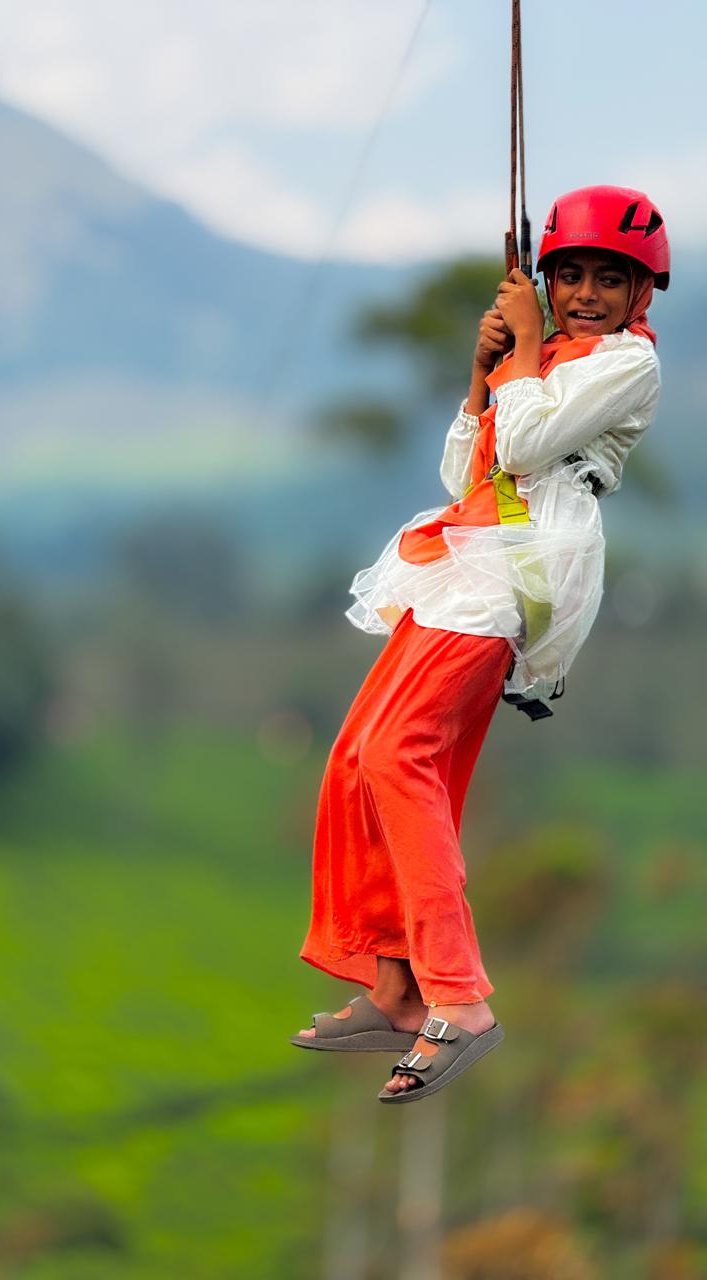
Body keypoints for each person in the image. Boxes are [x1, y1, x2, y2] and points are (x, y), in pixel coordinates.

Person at [291, 187, 668, 1103]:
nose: (585, 292)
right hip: (470, 548)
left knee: (396, 753)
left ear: (640, 294)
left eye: (608, 279)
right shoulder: (545, 358)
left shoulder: (624, 365)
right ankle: (397, 987)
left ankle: (458, 994)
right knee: (356, 760)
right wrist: (482, 371)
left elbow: (533, 444)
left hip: (521, 568)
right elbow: (469, 469)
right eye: (569, 273)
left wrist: (528, 350)